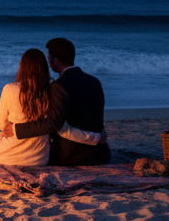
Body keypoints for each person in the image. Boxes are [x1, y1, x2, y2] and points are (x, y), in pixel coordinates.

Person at [0, 48, 102, 166]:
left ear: (22, 67)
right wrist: (96, 137)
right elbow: (61, 129)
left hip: (8, 156)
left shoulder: (9, 89)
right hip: (39, 158)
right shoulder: (50, 91)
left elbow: (1, 124)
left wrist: (12, 127)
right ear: (44, 68)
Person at [8, 37, 111, 166]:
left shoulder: (59, 87)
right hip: (100, 154)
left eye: (49, 58)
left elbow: (53, 124)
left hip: (71, 157)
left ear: (55, 60)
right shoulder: (94, 82)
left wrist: (16, 130)